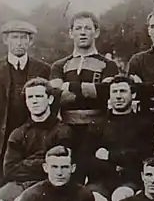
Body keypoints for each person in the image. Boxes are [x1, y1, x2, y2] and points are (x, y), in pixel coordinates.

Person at [0, 20, 51, 190]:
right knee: (3, 192)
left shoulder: (43, 70)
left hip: (33, 140)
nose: (19, 42)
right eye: (15, 37)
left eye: (24, 38)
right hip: (1, 143)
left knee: (34, 191)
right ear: (6, 40)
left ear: (30, 41)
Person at [82, 75, 154, 201]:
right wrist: (118, 164)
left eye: (123, 91)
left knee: (121, 200)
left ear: (133, 94)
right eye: (114, 92)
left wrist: (109, 156)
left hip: (130, 181)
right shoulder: (97, 125)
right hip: (101, 181)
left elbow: (142, 156)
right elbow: (86, 158)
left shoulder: (144, 125)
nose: (118, 96)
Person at [49, 11, 121, 148]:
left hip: (99, 130)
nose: (83, 33)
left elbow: (106, 92)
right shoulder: (59, 65)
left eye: (87, 28)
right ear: (71, 33)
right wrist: (92, 91)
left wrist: (69, 86)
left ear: (96, 32)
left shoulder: (108, 64)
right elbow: (57, 95)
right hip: (66, 129)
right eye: (78, 28)